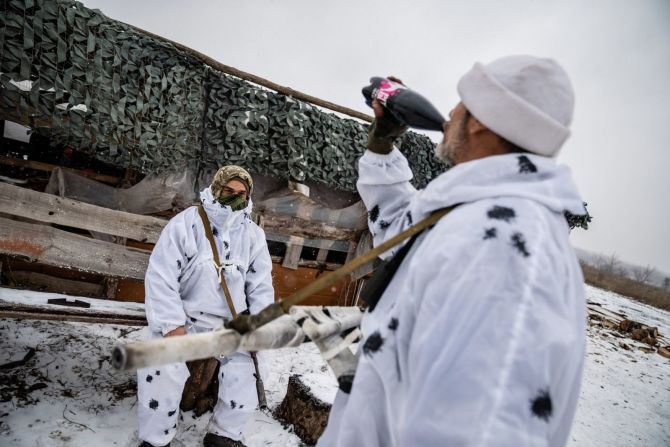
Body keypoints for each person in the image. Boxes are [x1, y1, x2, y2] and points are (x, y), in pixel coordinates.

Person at [318, 56, 588, 446]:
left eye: (460, 103)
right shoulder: (478, 213)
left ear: (479, 119)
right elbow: (399, 228)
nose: (448, 114)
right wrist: (382, 144)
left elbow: (483, 430)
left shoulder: (505, 248)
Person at [137, 165, 274, 447]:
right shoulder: (186, 223)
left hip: (229, 324)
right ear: (216, 189)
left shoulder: (253, 236)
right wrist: (172, 325)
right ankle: (155, 440)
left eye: (242, 193)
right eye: (229, 191)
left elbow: (260, 286)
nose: (235, 197)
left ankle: (224, 436)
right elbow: (161, 276)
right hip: (184, 318)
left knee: (246, 370)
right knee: (162, 368)